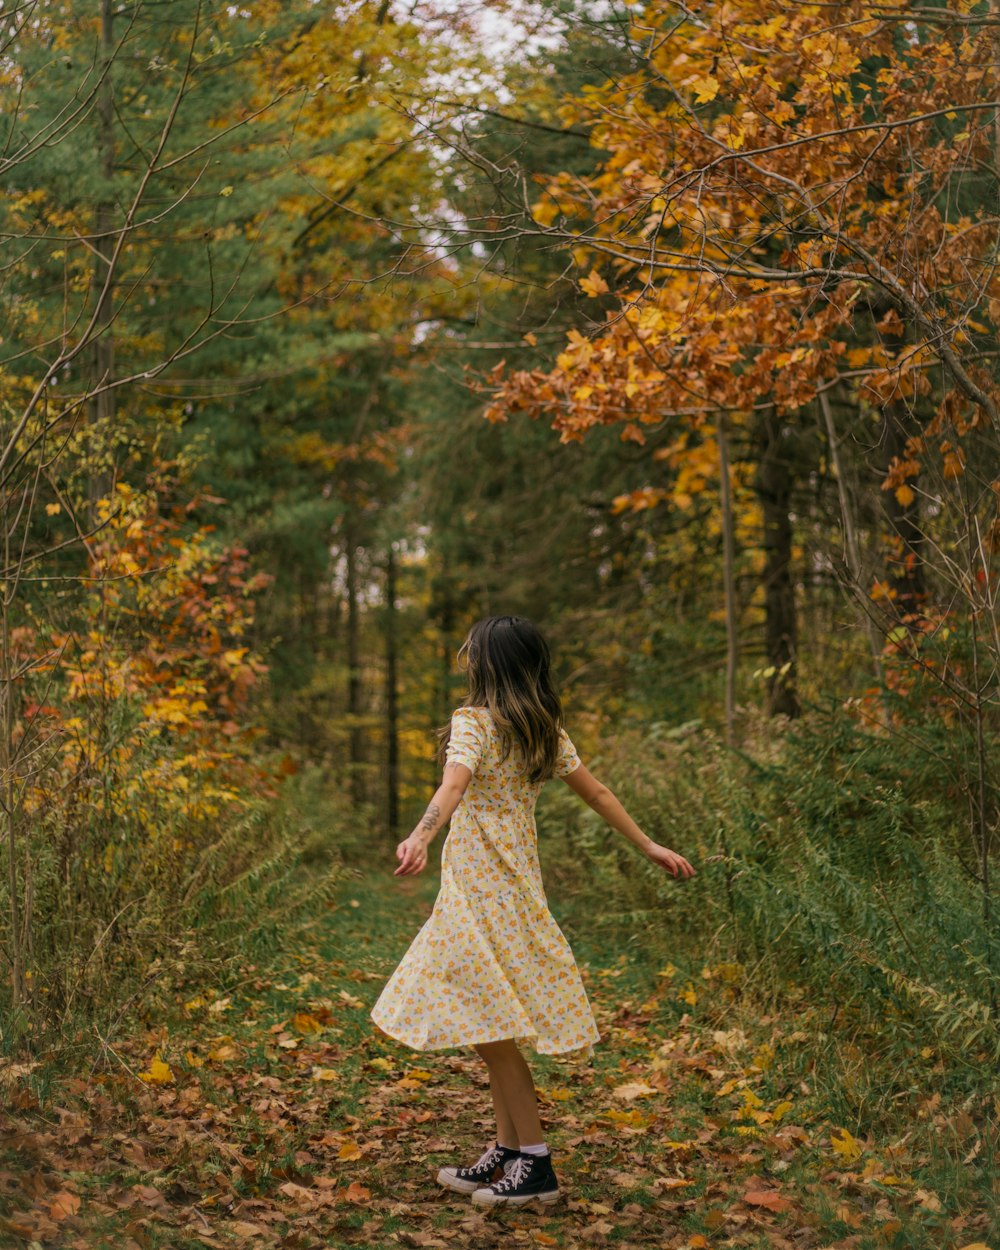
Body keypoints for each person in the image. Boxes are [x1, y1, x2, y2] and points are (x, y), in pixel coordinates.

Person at [370, 615, 696, 1208]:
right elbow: (596, 792)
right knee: (490, 1022)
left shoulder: (473, 723)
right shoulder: (541, 730)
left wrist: (420, 835)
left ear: (488, 665)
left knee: (491, 1029)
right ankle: (507, 1150)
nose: (466, 659)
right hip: (514, 892)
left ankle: (536, 1164)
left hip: (480, 895)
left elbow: (452, 786)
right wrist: (646, 844)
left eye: (472, 653)